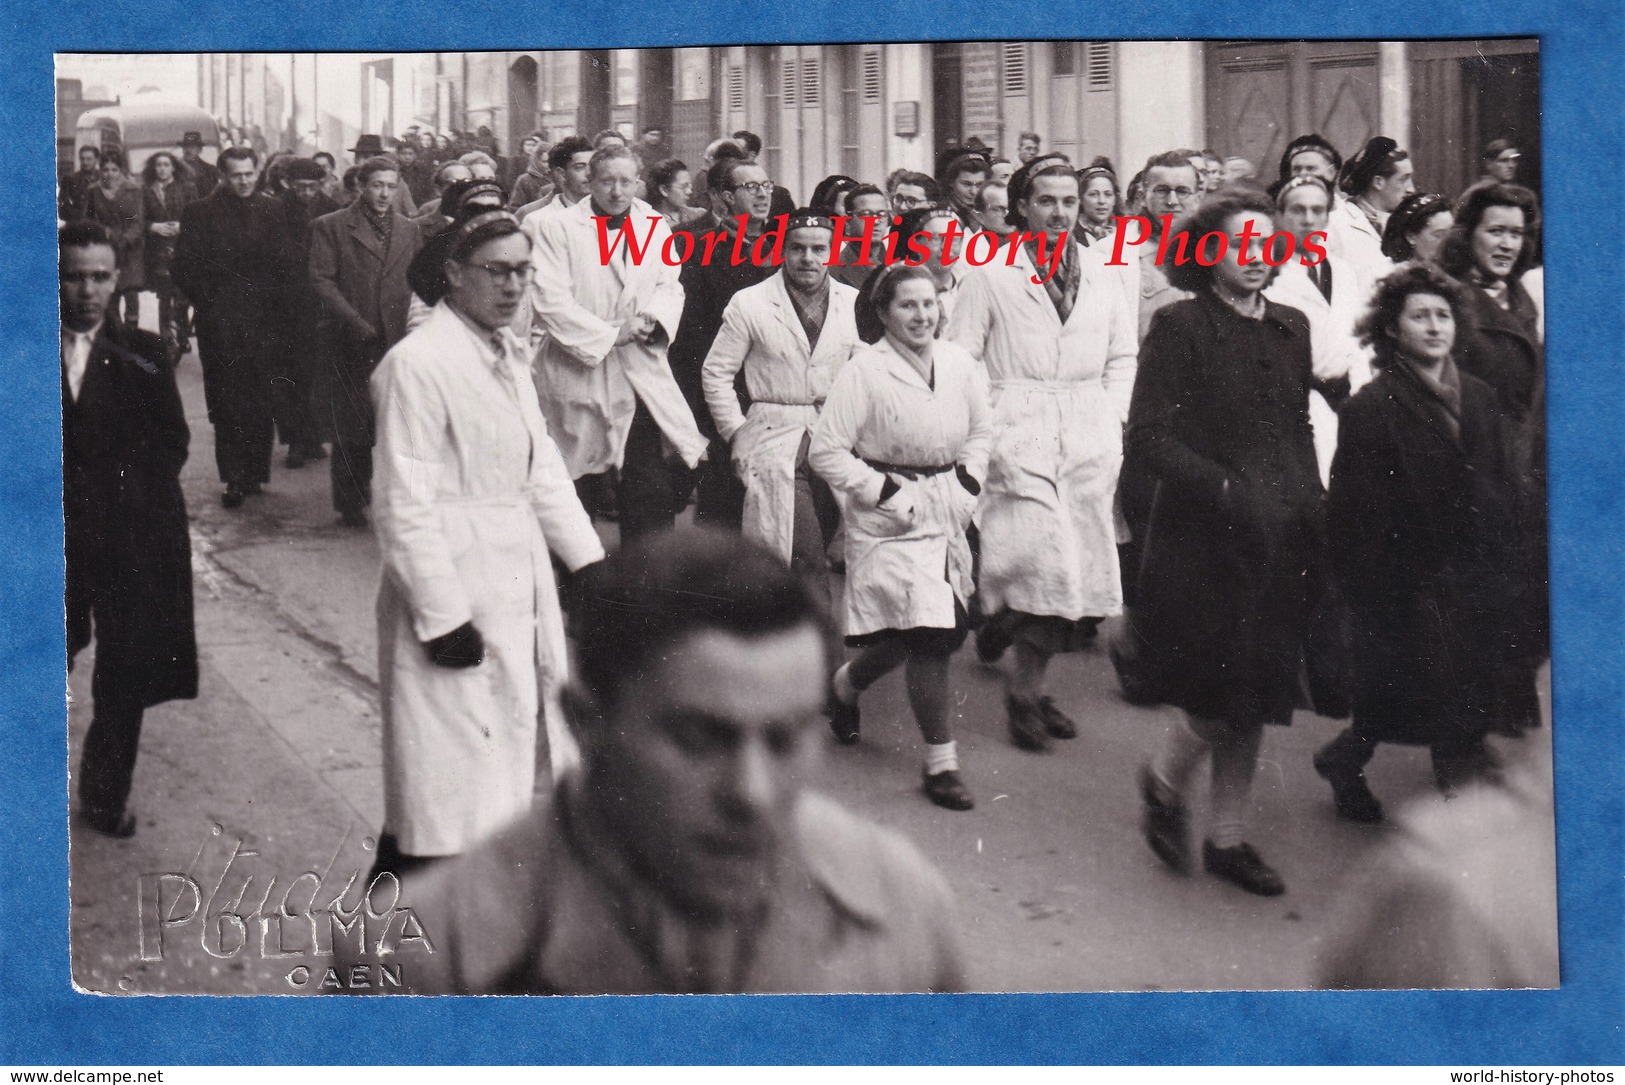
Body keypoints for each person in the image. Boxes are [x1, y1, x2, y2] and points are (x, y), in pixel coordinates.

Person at [339, 527, 963, 994]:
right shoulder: (419, 955)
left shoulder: (902, 908)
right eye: (698, 739)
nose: (752, 791)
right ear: (587, 725)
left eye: (785, 738)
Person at [367, 209, 604, 876]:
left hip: (514, 583)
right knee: (437, 809)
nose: (512, 287)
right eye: (496, 272)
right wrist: (442, 617)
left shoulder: (506, 355)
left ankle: (469, 954)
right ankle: (370, 969)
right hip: (450, 592)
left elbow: (543, 470)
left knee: (494, 791)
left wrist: (588, 568)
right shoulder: (416, 364)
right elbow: (401, 505)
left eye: (523, 272)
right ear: (452, 276)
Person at [1128, 190, 1324, 897]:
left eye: (1267, 244)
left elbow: (1297, 427)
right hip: (1204, 545)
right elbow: (1147, 438)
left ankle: (1227, 838)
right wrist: (1224, 492)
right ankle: (1161, 778)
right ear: (1205, 252)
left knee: (1260, 692)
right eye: (1239, 242)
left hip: (1279, 538)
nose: (1256, 255)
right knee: (1216, 698)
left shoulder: (1290, 327)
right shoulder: (1179, 326)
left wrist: (1311, 502)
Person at [1313, 264, 1530, 822]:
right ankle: (1452, 813)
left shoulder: (1479, 396)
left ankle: (1346, 759)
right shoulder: (1372, 408)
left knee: (1450, 694)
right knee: (1414, 695)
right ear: (1392, 329)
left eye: (1442, 315)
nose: (1434, 327)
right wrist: (1361, 595)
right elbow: (1351, 513)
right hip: (1406, 581)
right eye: (1419, 316)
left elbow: (1504, 478)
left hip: (1475, 573)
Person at [950, 154, 1138, 751]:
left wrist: (1111, 415)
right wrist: (990, 430)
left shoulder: (1107, 275)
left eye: (1070, 201)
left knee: (1070, 568)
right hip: (1019, 425)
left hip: (1087, 427)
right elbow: (961, 359)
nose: (1060, 212)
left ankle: (1003, 621)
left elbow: (1122, 357)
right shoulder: (990, 275)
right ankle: (1024, 696)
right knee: (1047, 560)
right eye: (1048, 201)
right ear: (1023, 208)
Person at [812, 265, 992, 810]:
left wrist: (969, 483)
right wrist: (884, 492)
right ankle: (941, 763)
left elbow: (983, 430)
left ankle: (844, 687)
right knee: (928, 632)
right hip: (888, 515)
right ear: (883, 313)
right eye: (907, 306)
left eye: (929, 303)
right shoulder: (864, 371)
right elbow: (827, 451)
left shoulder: (960, 363)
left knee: (915, 627)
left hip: (947, 505)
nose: (921, 315)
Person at [61, 221, 197, 839]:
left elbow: (172, 443)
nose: (86, 291)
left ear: (117, 281)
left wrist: (126, 500)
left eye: (99, 277)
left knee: (123, 671)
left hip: (124, 539)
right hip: (49, 546)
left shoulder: (143, 352)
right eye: (72, 276)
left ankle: (104, 796)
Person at [530, 145, 709, 542]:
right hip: (576, 369)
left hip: (636, 370)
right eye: (607, 181)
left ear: (638, 183)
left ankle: (646, 581)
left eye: (626, 181)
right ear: (590, 182)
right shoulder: (552, 227)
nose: (616, 191)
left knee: (648, 482)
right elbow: (549, 300)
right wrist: (612, 333)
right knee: (578, 483)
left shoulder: (653, 225)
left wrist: (652, 320)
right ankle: (578, 581)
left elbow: (669, 283)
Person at [702, 210, 861, 627]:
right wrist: (736, 431)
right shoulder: (751, 302)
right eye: (797, 248)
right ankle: (821, 659)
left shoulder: (853, 303)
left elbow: (867, 371)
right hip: (774, 433)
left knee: (836, 544)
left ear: (833, 252)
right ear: (783, 251)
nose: (808, 258)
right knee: (801, 550)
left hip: (835, 434)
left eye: (818, 249)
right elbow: (716, 372)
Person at [1439, 182, 1548, 737]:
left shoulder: (1523, 299)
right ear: (1469, 236)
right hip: (1471, 475)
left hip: (1523, 477)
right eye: (1494, 231)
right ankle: (1460, 760)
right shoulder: (1451, 300)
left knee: (1520, 617)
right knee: (1472, 622)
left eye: (1516, 232)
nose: (1506, 243)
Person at [308, 156, 425, 528]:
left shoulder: (408, 229)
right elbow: (321, 280)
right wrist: (355, 321)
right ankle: (351, 501)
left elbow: (418, 279)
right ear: (361, 186)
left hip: (397, 337)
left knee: (398, 423)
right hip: (351, 339)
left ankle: (396, 497)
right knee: (352, 423)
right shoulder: (332, 227)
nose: (384, 194)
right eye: (377, 185)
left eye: (392, 186)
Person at [667, 156, 781, 529]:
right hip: (723, 392)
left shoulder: (783, 246)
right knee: (723, 505)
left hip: (775, 390)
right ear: (726, 198)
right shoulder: (698, 248)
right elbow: (689, 337)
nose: (763, 195)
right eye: (751, 188)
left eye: (766, 186)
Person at [172, 146, 285, 508]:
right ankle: (234, 477)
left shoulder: (272, 210)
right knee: (227, 400)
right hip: (220, 323)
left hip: (265, 321)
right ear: (222, 175)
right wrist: (211, 303)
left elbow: (286, 267)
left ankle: (255, 473)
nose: (244, 180)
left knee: (260, 396)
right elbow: (183, 268)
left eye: (250, 173)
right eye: (237, 174)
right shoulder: (200, 213)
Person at [1264, 174, 1370, 484]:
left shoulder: (1343, 271)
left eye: (1317, 210)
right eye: (1298, 210)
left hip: (1349, 400)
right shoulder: (1269, 272)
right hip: (1297, 405)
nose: (1308, 219)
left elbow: (1359, 340)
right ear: (1280, 216)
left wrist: (1360, 391)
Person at [267, 156, 339, 469]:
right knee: (290, 373)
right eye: (300, 187)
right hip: (287, 302)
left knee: (318, 372)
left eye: (311, 187)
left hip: (322, 301)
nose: (306, 193)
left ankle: (313, 436)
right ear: (288, 184)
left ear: (321, 184)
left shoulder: (331, 207)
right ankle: (295, 440)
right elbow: (272, 251)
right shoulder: (277, 209)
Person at [1329, 136, 1413, 288]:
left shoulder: (1408, 226)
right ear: (1378, 182)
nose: (1411, 189)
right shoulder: (1335, 224)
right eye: (1403, 180)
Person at [140, 151, 198, 359]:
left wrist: (183, 226)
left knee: (181, 295)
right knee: (164, 296)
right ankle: (166, 339)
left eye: (166, 165)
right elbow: (140, 218)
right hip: (158, 251)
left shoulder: (187, 189)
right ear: (153, 169)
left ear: (174, 167)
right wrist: (154, 227)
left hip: (182, 248)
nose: (162, 169)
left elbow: (197, 215)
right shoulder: (146, 191)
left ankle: (180, 335)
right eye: (158, 165)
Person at [83, 148, 146, 330]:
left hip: (129, 250)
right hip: (105, 249)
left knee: (131, 295)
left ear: (122, 171)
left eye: (114, 169)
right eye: (105, 169)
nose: (109, 174)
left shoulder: (133, 189)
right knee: (111, 295)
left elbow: (138, 222)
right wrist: (100, 234)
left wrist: (125, 240)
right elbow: (88, 219)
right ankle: (117, 338)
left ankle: (132, 336)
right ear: (100, 170)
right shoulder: (94, 191)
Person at [516, 135, 592, 223]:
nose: (589, 173)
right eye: (579, 167)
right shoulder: (530, 215)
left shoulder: (605, 212)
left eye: (592, 166)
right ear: (561, 174)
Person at [830, 183, 891, 288]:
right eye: (866, 214)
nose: (876, 221)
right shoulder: (834, 270)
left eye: (881, 214)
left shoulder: (899, 263)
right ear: (847, 221)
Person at [1381, 191, 1454, 267]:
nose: (1448, 243)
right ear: (1411, 236)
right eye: (1439, 235)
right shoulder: (1385, 273)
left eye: (1451, 235)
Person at [731, 130, 795, 216]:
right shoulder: (716, 191)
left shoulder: (780, 197)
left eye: (735, 153)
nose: (729, 159)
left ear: (751, 156)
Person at [350, 136, 418, 215]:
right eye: (357, 157)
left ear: (378, 159)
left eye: (367, 157)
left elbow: (412, 214)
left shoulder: (398, 184)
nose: (361, 162)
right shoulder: (341, 186)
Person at [410, 158, 474, 232]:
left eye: (467, 182)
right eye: (453, 183)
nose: (461, 188)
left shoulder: (483, 223)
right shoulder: (415, 227)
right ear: (438, 190)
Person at [937, 149, 990, 232]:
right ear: (951, 182)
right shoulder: (940, 215)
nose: (974, 192)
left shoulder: (987, 210)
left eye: (979, 185)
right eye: (967, 184)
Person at [1076, 161, 1119, 245]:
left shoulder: (1126, 232)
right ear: (1081, 199)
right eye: (1093, 194)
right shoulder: (1071, 235)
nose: (1102, 201)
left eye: (1108, 194)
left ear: (1115, 199)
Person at [507, 132, 552, 209]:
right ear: (536, 161)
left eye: (551, 161)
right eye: (544, 162)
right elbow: (515, 208)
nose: (548, 165)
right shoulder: (524, 180)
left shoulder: (557, 178)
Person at [647, 157, 694, 230]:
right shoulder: (644, 222)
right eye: (683, 187)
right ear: (664, 190)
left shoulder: (697, 216)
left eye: (689, 185)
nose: (689, 191)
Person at [59, 144, 102, 221]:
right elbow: (62, 207)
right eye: (82, 159)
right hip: (77, 225)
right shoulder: (70, 179)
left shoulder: (103, 178)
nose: (85, 162)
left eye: (89, 159)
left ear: (97, 160)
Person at [180, 131, 219, 196]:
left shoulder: (210, 170)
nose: (188, 150)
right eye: (185, 147)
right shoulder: (175, 168)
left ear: (200, 150)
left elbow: (215, 194)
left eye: (192, 147)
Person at [395, 138, 433, 205]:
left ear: (415, 155)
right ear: (398, 155)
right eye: (403, 154)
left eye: (410, 154)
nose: (407, 157)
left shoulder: (423, 170)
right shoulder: (394, 170)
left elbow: (429, 192)